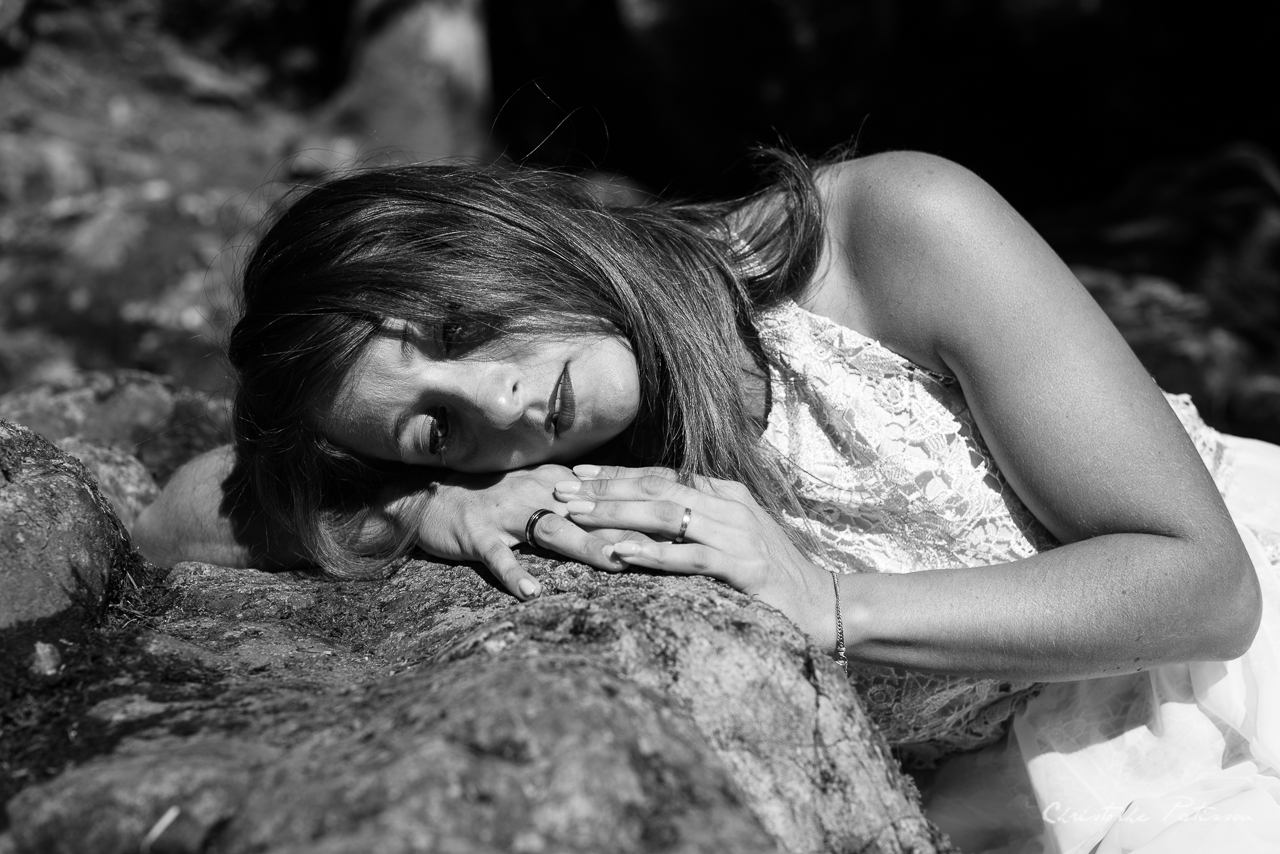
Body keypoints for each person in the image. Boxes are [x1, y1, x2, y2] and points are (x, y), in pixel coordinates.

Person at [134, 150, 1280, 853]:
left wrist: (828, 603)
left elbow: (1204, 587)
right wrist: (416, 509)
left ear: (493, 234)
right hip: (1009, 793)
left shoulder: (884, 233)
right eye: (438, 426)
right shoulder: (530, 466)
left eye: (459, 325)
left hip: (1226, 680)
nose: (502, 398)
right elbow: (171, 517)